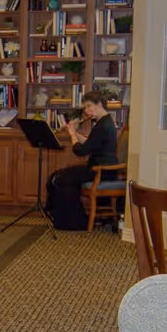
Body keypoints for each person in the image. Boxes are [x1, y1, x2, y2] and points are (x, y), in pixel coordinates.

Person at [45, 91, 122, 232]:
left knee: (61, 179)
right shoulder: (105, 122)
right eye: (85, 107)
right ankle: (66, 217)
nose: (86, 111)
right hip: (101, 168)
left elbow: (80, 151)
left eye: (89, 106)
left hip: (100, 171)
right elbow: (89, 144)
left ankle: (74, 221)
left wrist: (72, 134)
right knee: (58, 176)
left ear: (99, 104)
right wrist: (74, 131)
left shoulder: (102, 126)